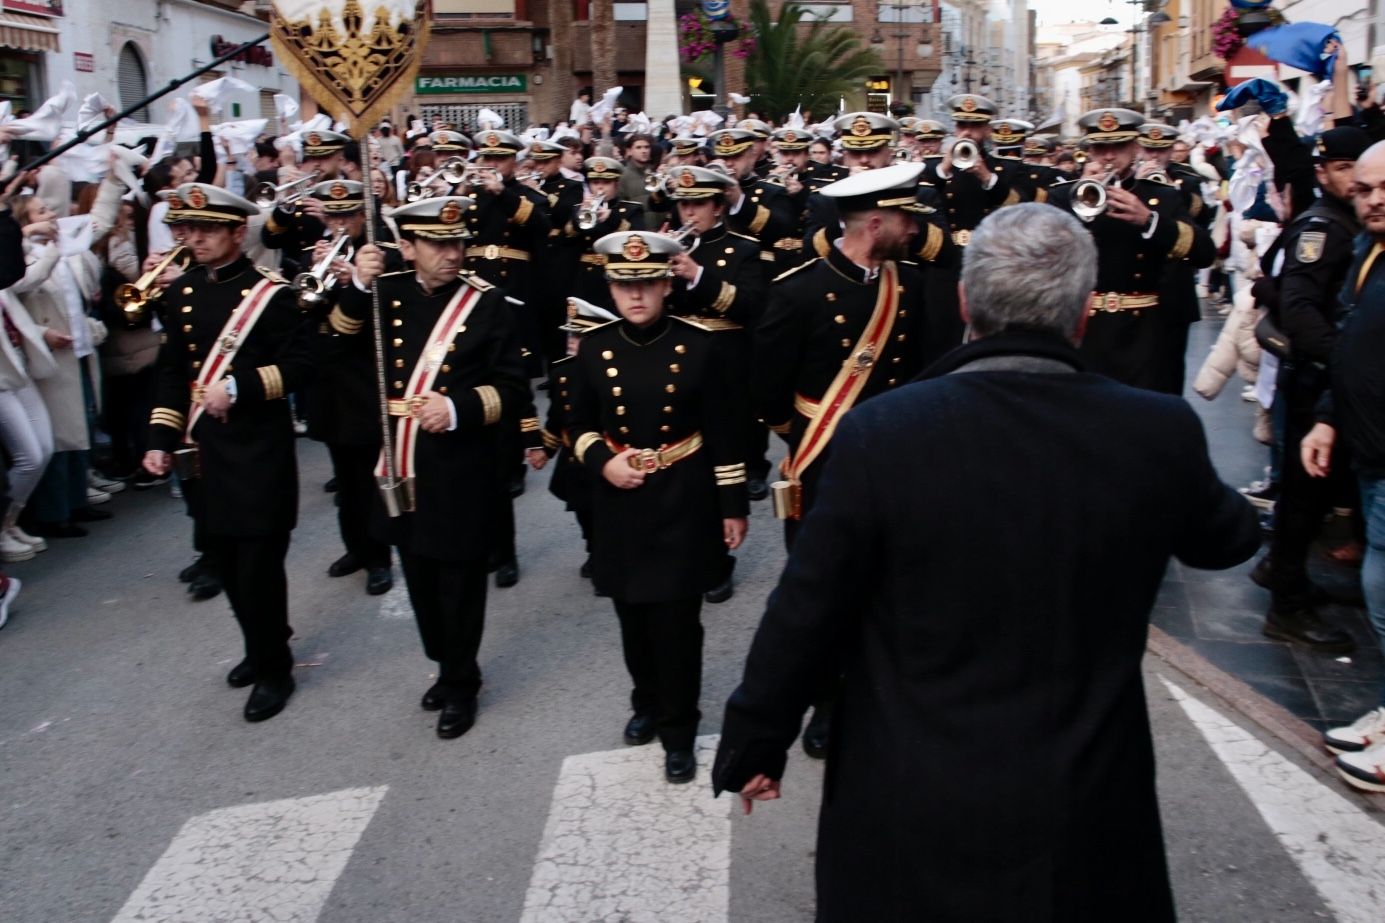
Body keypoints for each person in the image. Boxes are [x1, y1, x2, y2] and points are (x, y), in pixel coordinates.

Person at [713, 203, 1261, 921]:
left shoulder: (884, 432)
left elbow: (809, 606)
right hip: (1083, 786)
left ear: (966, 302)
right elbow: (1226, 540)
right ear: (1084, 314)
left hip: (912, 780)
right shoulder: (1152, 430)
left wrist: (757, 738)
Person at [754, 163, 936, 758]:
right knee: (824, 594)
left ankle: (886, 690)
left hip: (901, 463)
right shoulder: (797, 289)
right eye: (907, 220)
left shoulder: (910, 286)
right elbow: (768, 392)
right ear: (877, 222)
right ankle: (828, 701)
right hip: (823, 464)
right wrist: (802, 442)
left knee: (895, 587)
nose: (915, 231)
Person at [566, 230, 749, 783]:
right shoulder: (595, 347)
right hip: (620, 498)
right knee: (631, 616)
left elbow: (725, 431)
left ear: (668, 283)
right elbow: (575, 424)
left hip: (682, 495)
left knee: (676, 623)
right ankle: (645, 700)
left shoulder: (700, 345)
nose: (637, 295)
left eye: (647, 283)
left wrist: (732, 506)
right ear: (610, 287)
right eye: (625, 285)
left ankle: (678, 727)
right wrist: (602, 461)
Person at [346, 195, 531, 739]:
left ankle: (461, 679)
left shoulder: (487, 303)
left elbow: (514, 388)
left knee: (459, 581)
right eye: (438, 244)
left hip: (458, 464)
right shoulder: (386, 294)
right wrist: (357, 283)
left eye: (458, 243)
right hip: (399, 462)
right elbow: (332, 339)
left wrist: (458, 408)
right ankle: (446, 660)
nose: (453, 254)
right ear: (407, 247)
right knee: (420, 575)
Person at [143, 183, 313, 723]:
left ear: (238, 233)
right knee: (229, 561)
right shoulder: (181, 292)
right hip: (205, 446)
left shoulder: (272, 294)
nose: (193, 239)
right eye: (186, 230)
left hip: (258, 448)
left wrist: (240, 387)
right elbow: (173, 372)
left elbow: (304, 364)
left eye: (206, 230)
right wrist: (159, 439)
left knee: (259, 564)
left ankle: (274, 665)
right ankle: (259, 644)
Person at [1256, 127, 1371, 653]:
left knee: (1318, 495)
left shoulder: (1355, 225)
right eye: (1344, 170)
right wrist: (1347, 363)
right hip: (1316, 380)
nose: (1357, 184)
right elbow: (1300, 311)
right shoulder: (1323, 227)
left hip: (1334, 382)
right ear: (1324, 174)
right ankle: (1287, 602)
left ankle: (1288, 576)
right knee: (1304, 497)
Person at [1300, 140, 1385, 791]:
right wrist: (1329, 413)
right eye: (1361, 190)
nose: (1373, 199)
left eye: (1383, 187)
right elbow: (1352, 336)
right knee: (1378, 592)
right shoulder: (1366, 249)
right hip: (1367, 449)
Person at [1047, 108, 1215, 391]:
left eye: (1119, 147)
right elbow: (1044, 254)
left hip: (1144, 333)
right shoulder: (1063, 195)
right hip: (1085, 330)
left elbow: (1203, 253)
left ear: (1136, 147)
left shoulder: (1162, 196)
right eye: (1100, 148)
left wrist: (1149, 220)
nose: (1109, 156)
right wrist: (1082, 201)